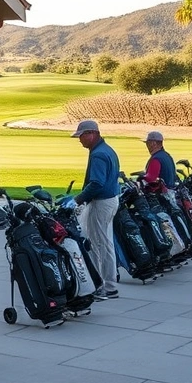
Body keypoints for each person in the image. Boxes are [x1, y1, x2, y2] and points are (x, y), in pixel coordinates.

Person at [71, 119, 120, 301]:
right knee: (106, 243)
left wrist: (78, 199)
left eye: (82, 136)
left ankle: (105, 286)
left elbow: (97, 183)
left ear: (92, 134)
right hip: (110, 200)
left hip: (101, 203)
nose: (80, 140)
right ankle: (109, 284)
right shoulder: (106, 150)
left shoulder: (98, 154)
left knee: (98, 244)